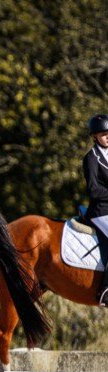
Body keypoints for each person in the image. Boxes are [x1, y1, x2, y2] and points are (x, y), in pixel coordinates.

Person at [83, 114, 108, 306]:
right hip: (101, 212)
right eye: (103, 134)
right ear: (94, 136)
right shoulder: (91, 158)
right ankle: (105, 290)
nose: (107, 136)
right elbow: (93, 189)